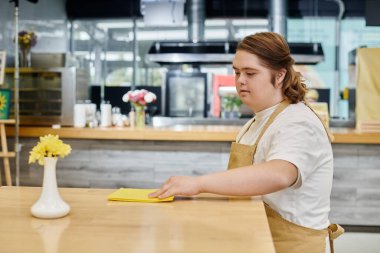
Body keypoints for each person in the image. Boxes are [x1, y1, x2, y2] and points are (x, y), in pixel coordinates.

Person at [149, 32, 343, 253]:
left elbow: (280, 174)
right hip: (260, 238)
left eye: (250, 73)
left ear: (279, 75)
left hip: (293, 245)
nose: (240, 80)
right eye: (237, 72)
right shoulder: (255, 121)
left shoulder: (297, 122)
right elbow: (248, 186)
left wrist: (199, 183)